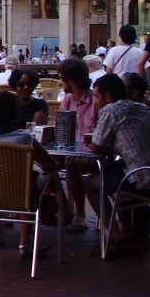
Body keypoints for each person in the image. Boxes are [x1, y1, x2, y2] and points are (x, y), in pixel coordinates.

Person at [74, 74, 150, 255]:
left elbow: (97, 147)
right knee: (115, 176)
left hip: (149, 181)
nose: (95, 101)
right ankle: (128, 233)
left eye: (97, 96)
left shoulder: (111, 110)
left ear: (107, 97)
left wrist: (95, 145)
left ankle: (115, 236)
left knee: (91, 183)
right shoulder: (142, 108)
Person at [0, 90, 65, 258]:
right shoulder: (24, 138)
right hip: (21, 195)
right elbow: (50, 164)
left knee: (24, 182)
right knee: (29, 181)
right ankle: (24, 242)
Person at [57, 57, 99, 233]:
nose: (59, 82)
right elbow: (60, 129)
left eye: (61, 78)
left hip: (94, 155)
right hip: (70, 151)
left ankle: (80, 216)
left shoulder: (95, 102)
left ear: (70, 80)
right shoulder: (67, 100)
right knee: (47, 164)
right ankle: (66, 209)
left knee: (72, 163)